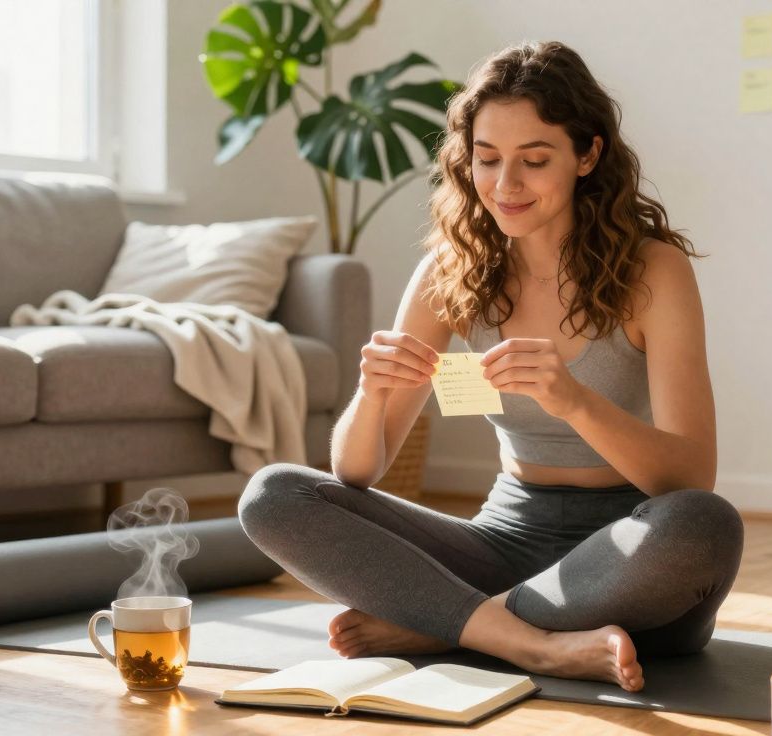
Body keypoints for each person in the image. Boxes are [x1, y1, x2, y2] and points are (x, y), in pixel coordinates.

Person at [238, 40, 743, 693]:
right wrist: (372, 394)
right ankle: (527, 640)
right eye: (487, 158)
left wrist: (574, 401)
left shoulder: (653, 272)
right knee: (274, 495)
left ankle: (452, 624)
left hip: (628, 554)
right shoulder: (452, 271)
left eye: (534, 160)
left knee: (704, 526)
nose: (506, 185)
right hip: (503, 543)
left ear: (587, 155)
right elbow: (357, 472)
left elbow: (691, 477)